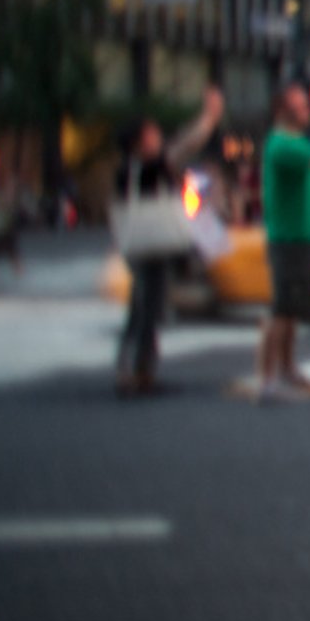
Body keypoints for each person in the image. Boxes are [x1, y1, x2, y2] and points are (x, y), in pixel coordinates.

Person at [115, 86, 223, 397]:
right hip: (152, 243)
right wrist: (208, 117)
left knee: (145, 306)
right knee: (146, 307)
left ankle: (139, 368)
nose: (157, 136)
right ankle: (135, 370)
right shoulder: (148, 167)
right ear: (138, 142)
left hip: (142, 243)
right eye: (151, 133)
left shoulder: (131, 170)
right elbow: (184, 146)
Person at [257, 84, 310, 402]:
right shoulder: (283, 145)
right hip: (287, 237)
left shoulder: (294, 142)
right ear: (283, 112)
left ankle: (288, 368)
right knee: (281, 310)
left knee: (292, 310)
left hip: (300, 235)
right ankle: (268, 379)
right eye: (300, 107)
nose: (308, 111)